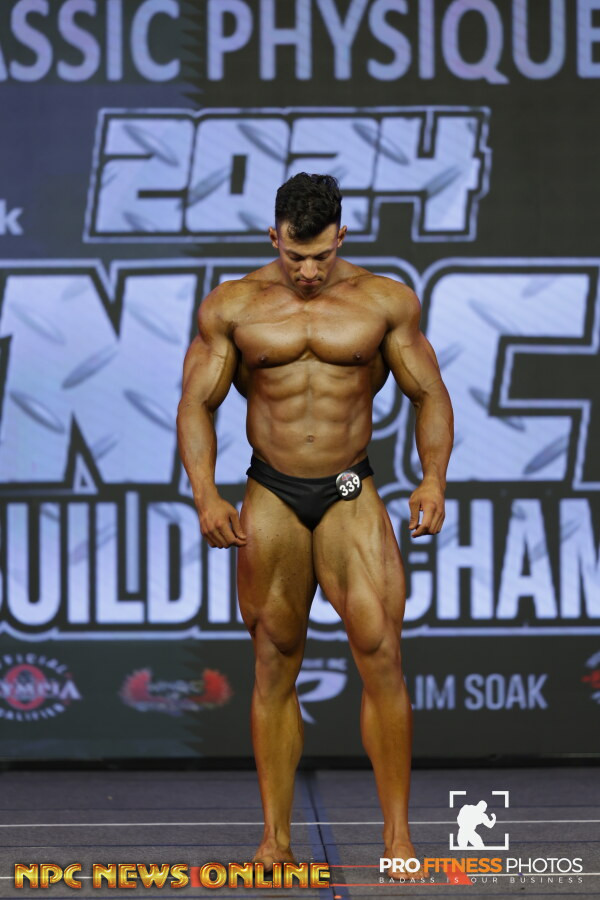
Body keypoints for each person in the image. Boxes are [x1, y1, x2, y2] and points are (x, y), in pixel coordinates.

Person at [176, 172, 454, 870]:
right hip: (271, 491)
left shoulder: (384, 301)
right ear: (273, 237)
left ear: (342, 238)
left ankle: (398, 840)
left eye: (322, 256)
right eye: (296, 256)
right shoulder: (232, 306)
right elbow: (196, 403)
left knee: (381, 652)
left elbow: (429, 391)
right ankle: (275, 840)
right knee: (274, 659)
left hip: (350, 488)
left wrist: (432, 478)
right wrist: (206, 494)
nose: (308, 272)